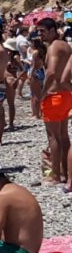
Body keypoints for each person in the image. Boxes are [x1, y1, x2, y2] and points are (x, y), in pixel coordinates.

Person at [42, 18, 72, 185]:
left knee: (53, 137)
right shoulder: (66, 46)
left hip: (53, 96)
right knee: (64, 136)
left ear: (53, 30)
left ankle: (55, 175)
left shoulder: (53, 47)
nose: (40, 34)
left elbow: (52, 71)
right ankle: (67, 172)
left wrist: (42, 92)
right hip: (66, 94)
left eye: (43, 31)